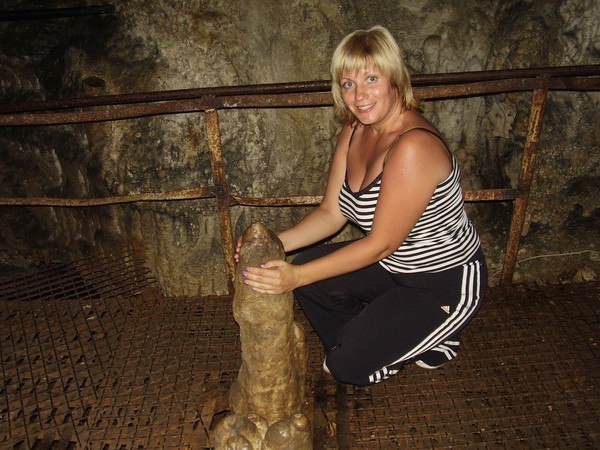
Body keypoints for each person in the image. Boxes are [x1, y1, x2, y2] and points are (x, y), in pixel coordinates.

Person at [237, 25, 487, 386]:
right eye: (348, 83)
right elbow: (331, 213)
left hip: (442, 282)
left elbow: (381, 243)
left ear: (395, 80)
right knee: (308, 270)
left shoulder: (413, 147)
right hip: (391, 268)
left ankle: (436, 335)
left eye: (371, 78)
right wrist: (272, 245)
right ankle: (390, 336)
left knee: (345, 368)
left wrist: (295, 277)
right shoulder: (355, 129)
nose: (359, 95)